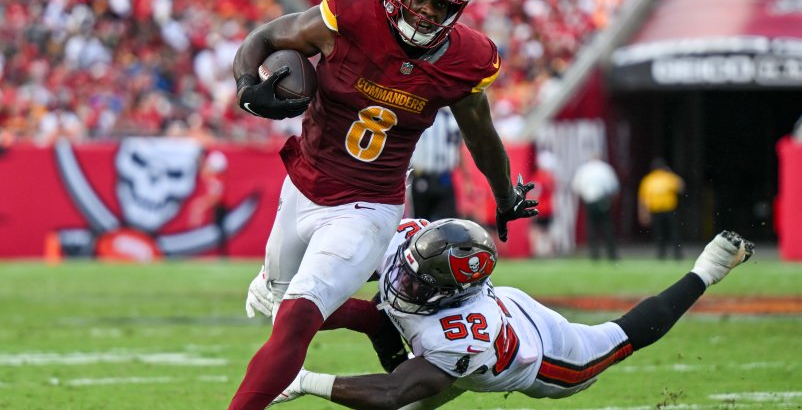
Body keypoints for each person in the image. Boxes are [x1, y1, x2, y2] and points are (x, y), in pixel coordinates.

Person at [230, 0, 539, 408]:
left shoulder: (467, 60)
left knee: (295, 321)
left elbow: (481, 135)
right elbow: (266, 37)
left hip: (367, 205)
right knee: (277, 306)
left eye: (440, 6)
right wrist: (247, 85)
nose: (426, 13)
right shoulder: (350, 11)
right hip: (304, 184)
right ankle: (377, 320)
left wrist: (503, 195)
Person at [261, 218, 754, 409]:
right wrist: (284, 294)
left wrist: (306, 381)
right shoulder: (415, 246)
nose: (399, 280)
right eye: (410, 270)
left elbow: (392, 391)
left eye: (417, 282)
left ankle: (706, 271)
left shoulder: (460, 333)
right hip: (492, 316)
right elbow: (348, 257)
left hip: (547, 359)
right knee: (380, 317)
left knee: (620, 337)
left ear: (451, 292)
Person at [409, 108, 462, 221]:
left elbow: (458, 147)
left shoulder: (452, 117)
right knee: (421, 224)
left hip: (445, 177)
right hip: (422, 176)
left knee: (449, 223)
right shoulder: (418, 115)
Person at [571, 155, 620, 261]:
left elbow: (576, 187)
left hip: (589, 201)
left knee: (592, 228)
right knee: (607, 228)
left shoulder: (584, 169)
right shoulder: (605, 168)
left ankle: (594, 255)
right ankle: (612, 254)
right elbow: (614, 186)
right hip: (603, 200)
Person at [638, 158, 686, 260]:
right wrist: (671, 172)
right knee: (673, 233)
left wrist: (643, 213)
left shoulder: (648, 180)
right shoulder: (668, 177)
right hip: (668, 210)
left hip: (656, 210)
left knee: (660, 234)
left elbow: (643, 199)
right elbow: (681, 187)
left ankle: (661, 254)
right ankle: (677, 254)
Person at [528, 150, 557, 257]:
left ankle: (536, 251)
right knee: (548, 231)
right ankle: (549, 251)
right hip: (549, 208)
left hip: (539, 208)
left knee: (535, 230)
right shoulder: (551, 177)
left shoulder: (539, 176)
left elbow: (534, 193)